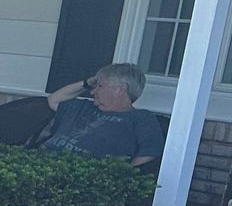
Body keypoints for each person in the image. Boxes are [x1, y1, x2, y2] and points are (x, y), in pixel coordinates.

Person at [36, 61, 164, 166]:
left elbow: (149, 153)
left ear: (120, 89)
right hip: (40, 164)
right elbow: (53, 100)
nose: (92, 92)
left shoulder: (141, 118)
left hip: (81, 178)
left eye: (100, 86)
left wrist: (122, 177)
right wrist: (86, 83)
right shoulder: (83, 107)